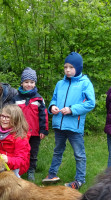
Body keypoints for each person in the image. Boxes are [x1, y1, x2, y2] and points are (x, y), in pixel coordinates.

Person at [42, 52, 95, 189]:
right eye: (65, 67)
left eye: (71, 67)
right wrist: (52, 107)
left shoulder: (85, 83)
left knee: (79, 154)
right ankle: (52, 174)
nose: (68, 70)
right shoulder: (60, 84)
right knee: (57, 150)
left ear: (78, 67)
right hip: (59, 124)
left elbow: (90, 103)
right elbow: (53, 99)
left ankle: (79, 180)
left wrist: (72, 109)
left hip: (74, 126)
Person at [13, 67, 49, 181]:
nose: (29, 84)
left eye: (32, 82)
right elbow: (12, 115)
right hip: (20, 131)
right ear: (22, 83)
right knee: (20, 151)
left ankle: (31, 170)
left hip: (35, 132)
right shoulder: (16, 99)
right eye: (26, 82)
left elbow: (44, 115)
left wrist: (43, 130)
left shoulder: (39, 99)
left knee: (33, 152)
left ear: (35, 83)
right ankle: (19, 169)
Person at [0, 104, 31, 177]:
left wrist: (8, 160)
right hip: (0, 160)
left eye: (8, 117)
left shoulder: (20, 137)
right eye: (2, 116)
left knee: (10, 182)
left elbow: (21, 160)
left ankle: (15, 179)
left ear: (16, 120)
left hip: (15, 165)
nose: (3, 119)